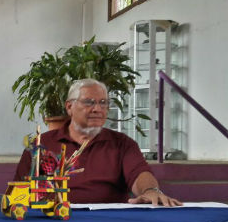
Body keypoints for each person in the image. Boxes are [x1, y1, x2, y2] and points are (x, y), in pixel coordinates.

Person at [14, 79, 182, 207]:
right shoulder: (41, 144)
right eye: (89, 102)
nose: (97, 109)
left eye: (103, 103)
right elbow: (21, 190)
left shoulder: (122, 144)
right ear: (69, 107)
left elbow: (139, 174)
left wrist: (150, 191)